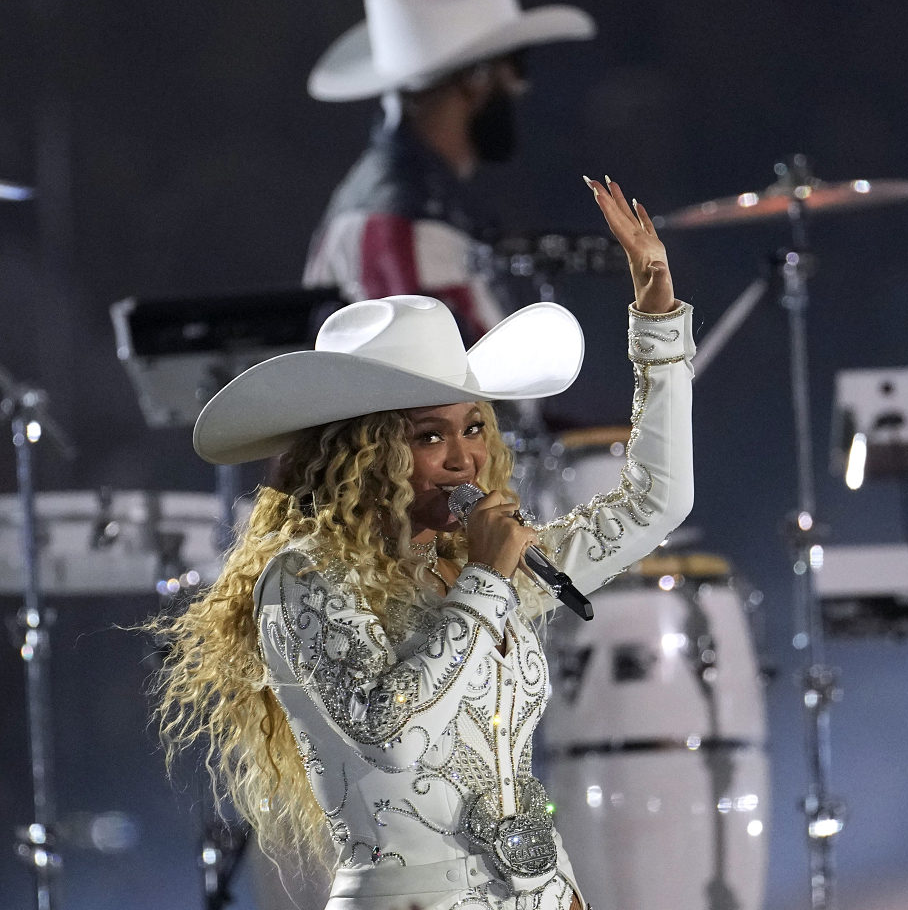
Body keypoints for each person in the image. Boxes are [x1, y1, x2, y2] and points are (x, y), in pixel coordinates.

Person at [146, 177, 693, 910]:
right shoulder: (304, 577)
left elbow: (657, 500)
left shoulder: (482, 562)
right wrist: (488, 586)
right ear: (363, 455)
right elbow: (388, 733)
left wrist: (656, 314)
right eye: (429, 436)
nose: (466, 458)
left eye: (473, 427)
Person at [302, 0, 596, 342]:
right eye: (516, 65)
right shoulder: (406, 225)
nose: (520, 88)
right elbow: (448, 394)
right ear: (475, 79)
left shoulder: (404, 205)